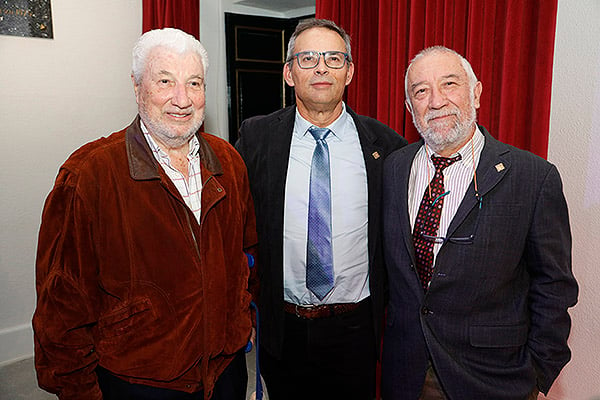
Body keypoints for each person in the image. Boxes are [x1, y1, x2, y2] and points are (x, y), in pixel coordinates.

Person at [32, 28, 257, 400]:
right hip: (140, 381)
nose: (182, 99)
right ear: (137, 87)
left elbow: (247, 255)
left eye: (194, 82)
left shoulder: (229, 162)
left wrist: (240, 318)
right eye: (165, 81)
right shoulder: (89, 175)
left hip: (226, 372)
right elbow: (62, 309)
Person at [381, 45, 578, 400]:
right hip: (405, 373)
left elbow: (554, 286)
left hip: (494, 379)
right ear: (410, 109)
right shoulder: (393, 169)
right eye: (420, 91)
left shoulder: (533, 177)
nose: (436, 101)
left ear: (476, 94)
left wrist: (536, 375)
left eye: (450, 84)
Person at [235, 18, 407, 400]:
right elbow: (235, 229)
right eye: (308, 57)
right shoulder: (257, 137)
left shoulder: (387, 145)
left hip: (357, 329)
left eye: (333, 58)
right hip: (284, 325)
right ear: (289, 73)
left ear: (350, 72)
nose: (321, 67)